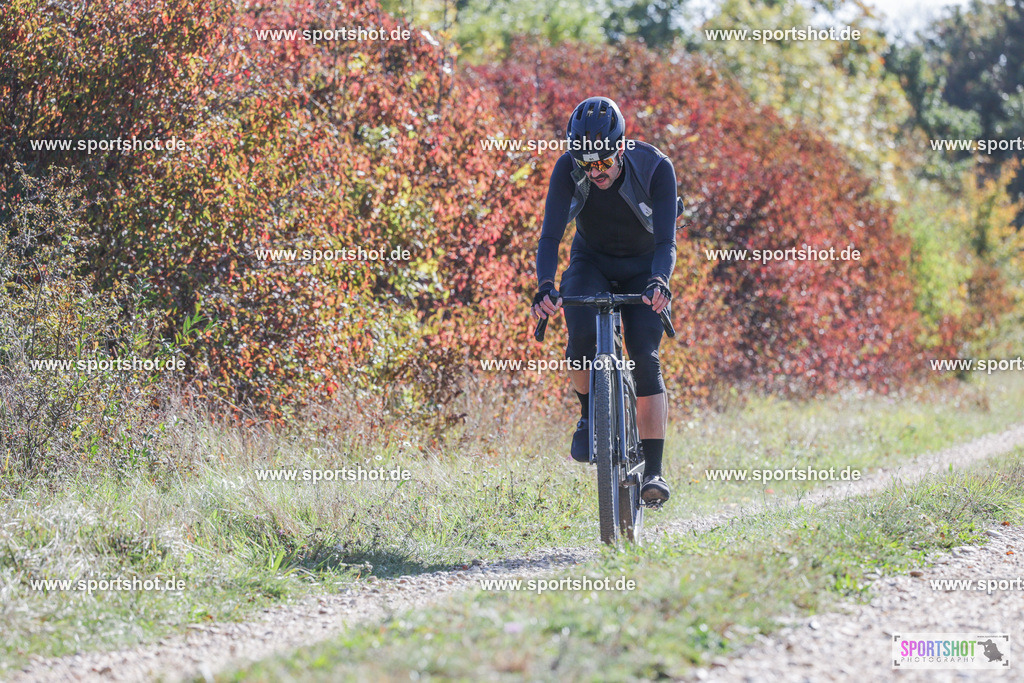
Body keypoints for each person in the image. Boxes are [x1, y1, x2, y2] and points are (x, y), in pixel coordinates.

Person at [530, 96, 678, 505]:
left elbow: (667, 242)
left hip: (645, 266)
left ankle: (654, 471)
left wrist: (660, 282)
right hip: (590, 260)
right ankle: (587, 415)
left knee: (644, 356)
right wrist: (545, 286)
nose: (594, 171)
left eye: (602, 162)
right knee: (578, 340)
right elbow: (549, 236)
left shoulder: (655, 167)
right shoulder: (568, 168)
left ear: (620, 148)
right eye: (585, 164)